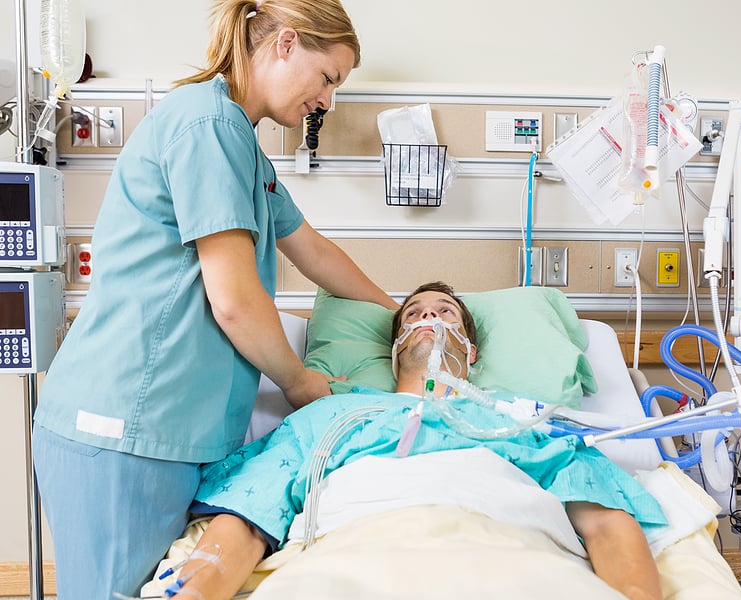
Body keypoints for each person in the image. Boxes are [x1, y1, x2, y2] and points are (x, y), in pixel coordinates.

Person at [31, 1, 398, 598]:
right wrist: (300, 381)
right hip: (123, 425)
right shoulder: (209, 125)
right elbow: (232, 299)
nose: (327, 101)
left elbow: (315, 251)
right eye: (328, 78)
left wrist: (399, 316)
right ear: (284, 43)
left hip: (165, 434)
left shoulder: (242, 147)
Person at [156, 282, 667, 600]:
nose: (429, 318)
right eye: (414, 314)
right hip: (354, 555)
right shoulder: (333, 414)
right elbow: (250, 514)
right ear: (396, 345)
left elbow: (604, 521)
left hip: (509, 553)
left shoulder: (518, 420)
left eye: (445, 313)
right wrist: (201, 586)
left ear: (472, 352)